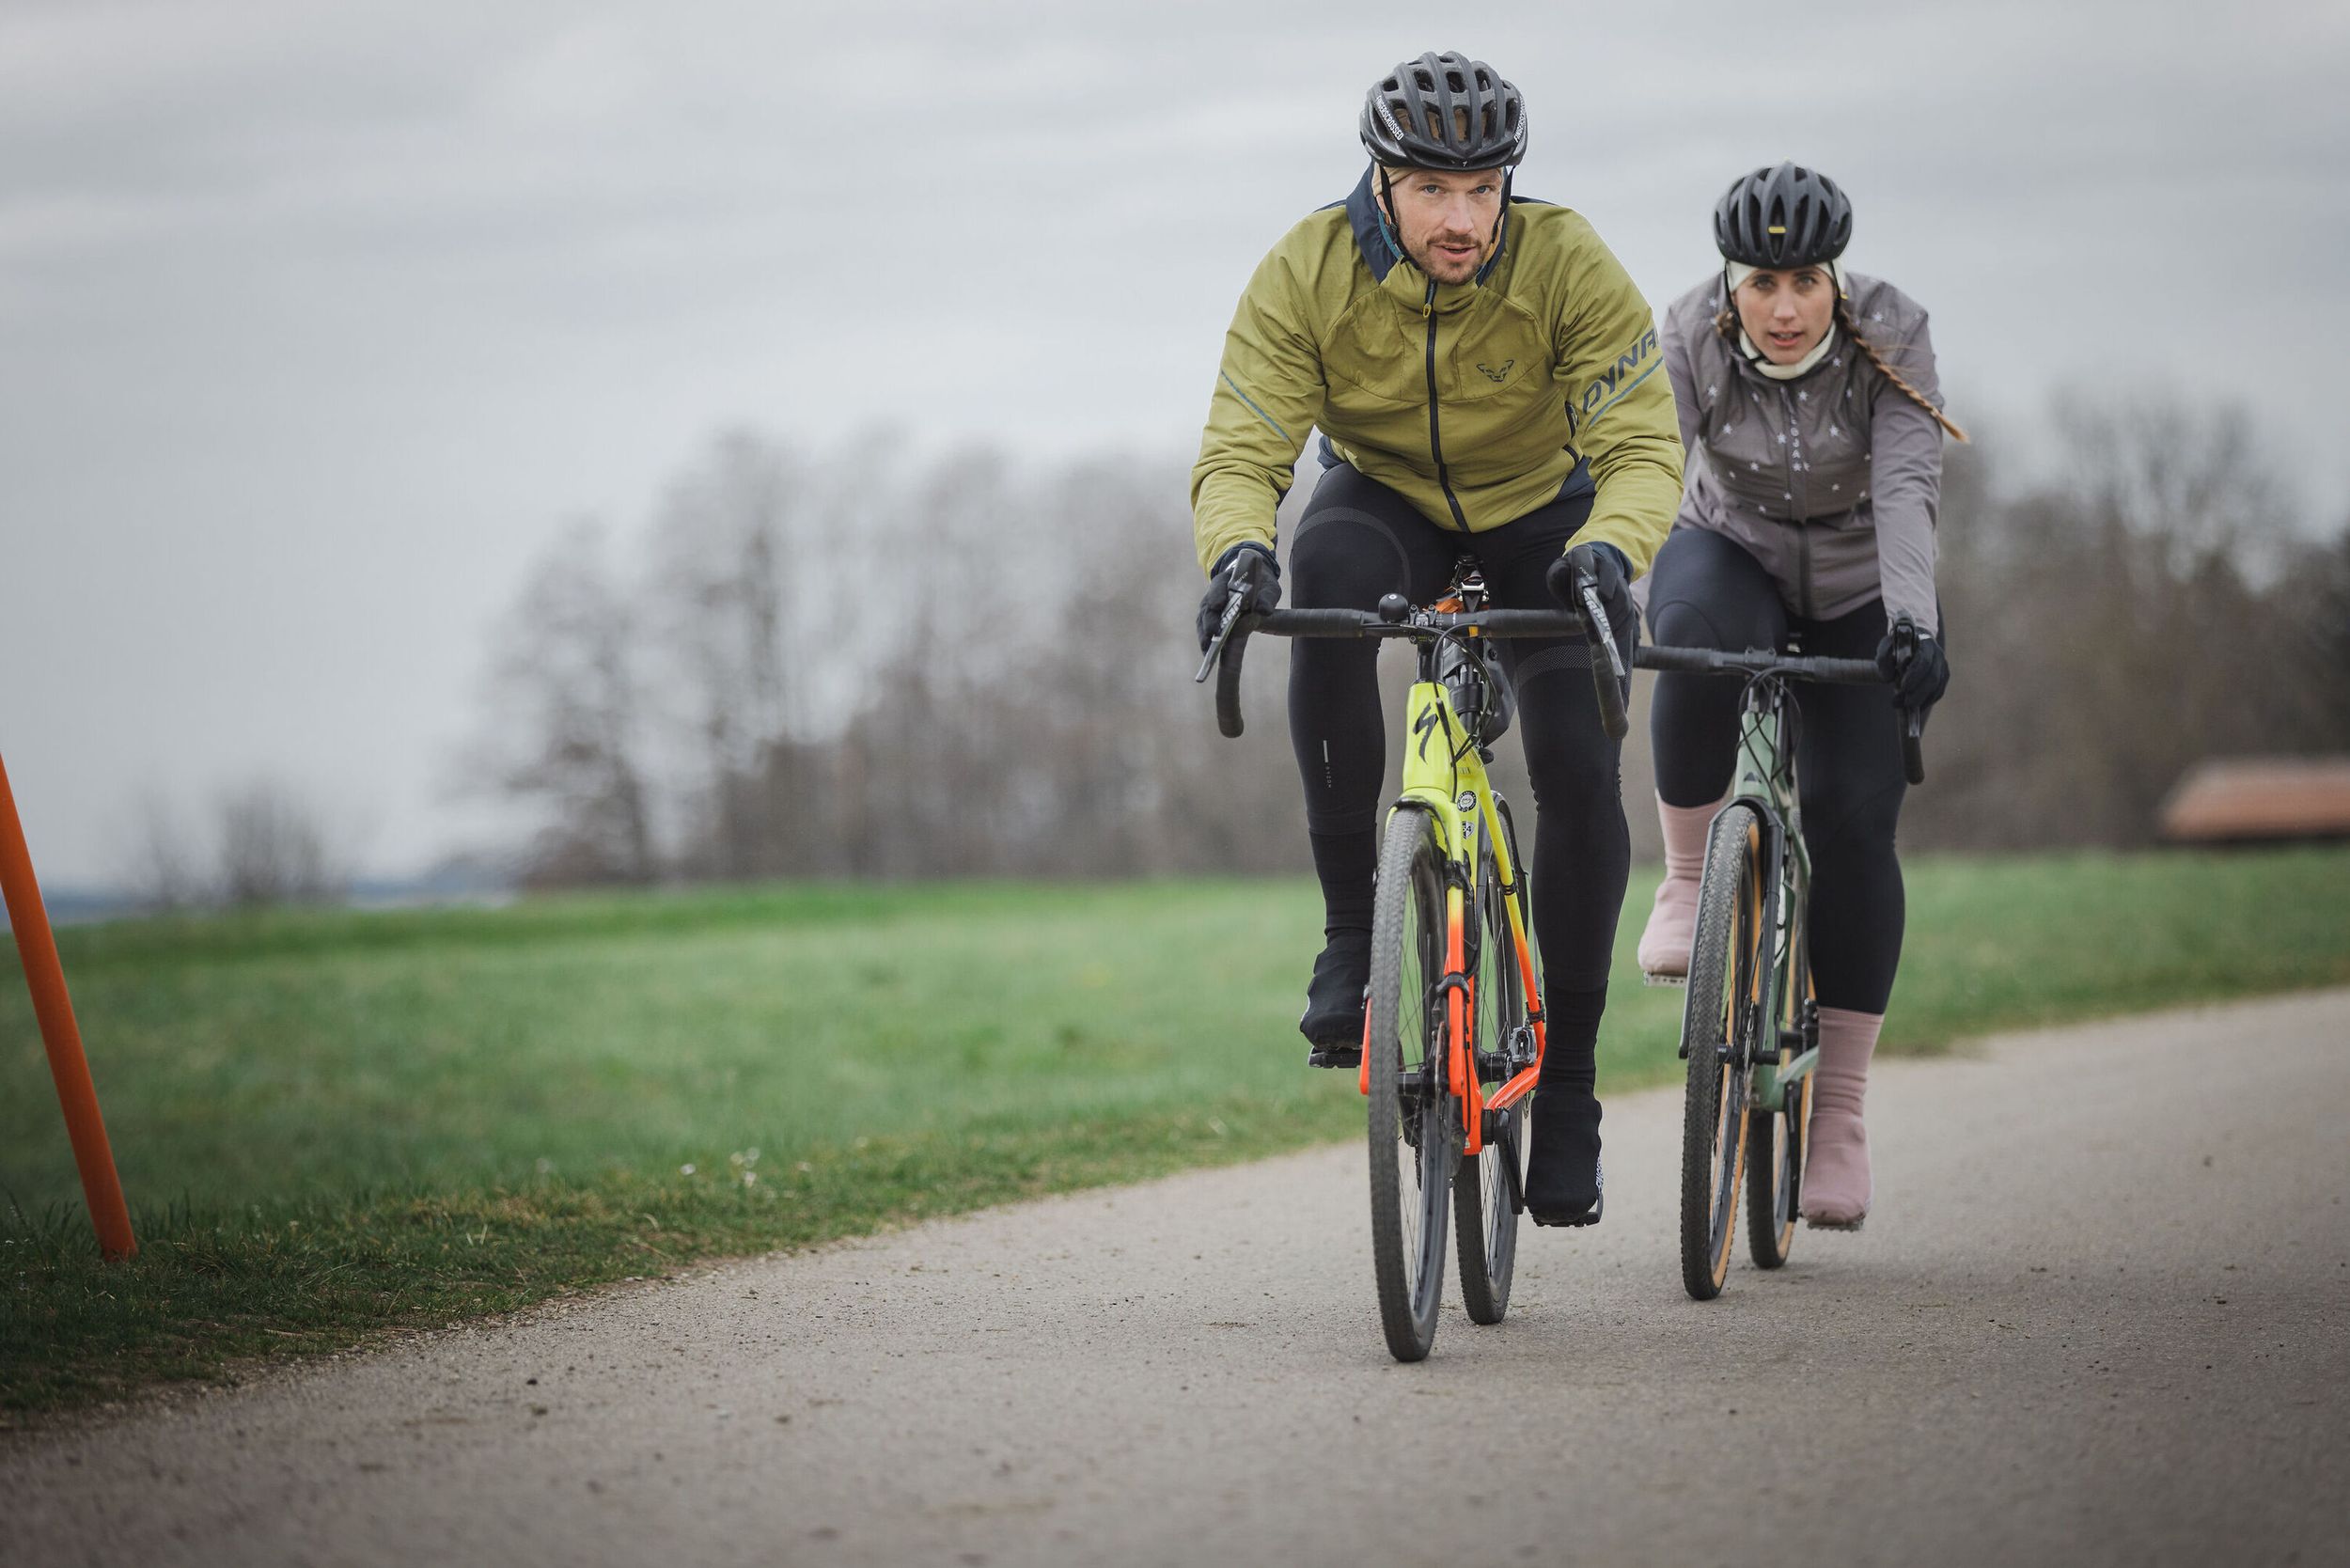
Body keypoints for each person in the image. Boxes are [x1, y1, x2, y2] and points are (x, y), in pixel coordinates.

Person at [1190, 52, 1684, 1226]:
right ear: (1380, 179)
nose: (1462, 218)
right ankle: (1353, 939)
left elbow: (1642, 445)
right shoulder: (1305, 268)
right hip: (1386, 499)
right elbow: (1242, 443)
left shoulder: (1563, 258)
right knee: (1323, 574)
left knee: (1574, 760)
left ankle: (1566, 1089)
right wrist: (1233, 551)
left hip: (1544, 514)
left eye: (1483, 190)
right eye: (1431, 191)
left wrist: (1610, 546)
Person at [1639, 161, 1966, 1228]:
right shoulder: (1685, 330)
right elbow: (1650, 464)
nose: (1783, 310)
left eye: (1805, 283)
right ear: (1728, 282)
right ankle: (1689, 883)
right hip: (1727, 549)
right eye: (1760, 284)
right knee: (1684, 643)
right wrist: (1616, 575)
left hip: (1863, 581)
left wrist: (1912, 621)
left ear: (1835, 278)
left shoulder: (1894, 330)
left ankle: (1840, 1121)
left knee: (1853, 823)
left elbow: (1909, 484)